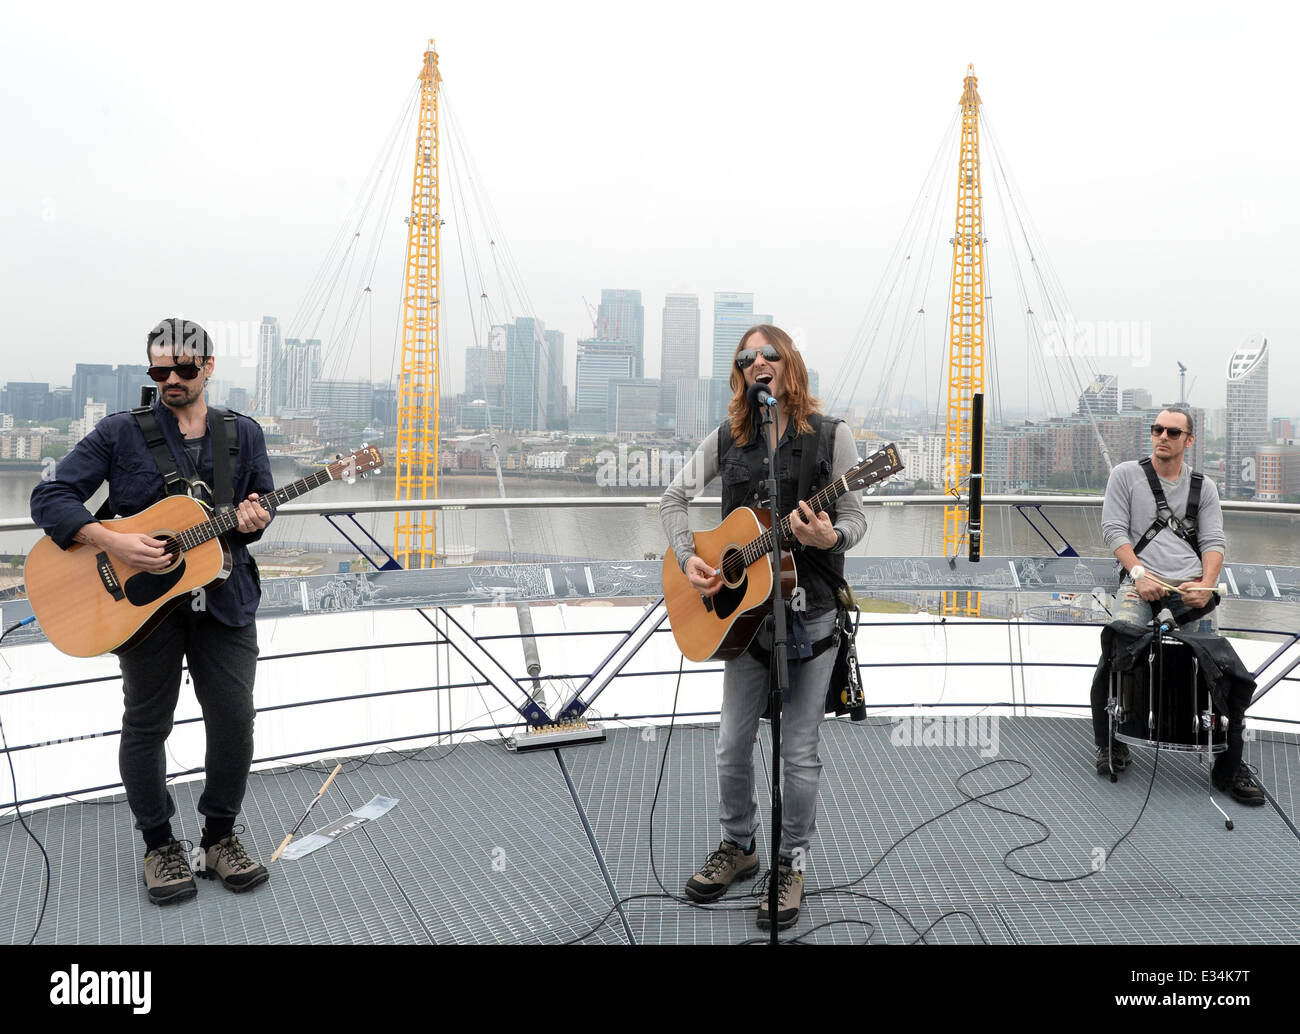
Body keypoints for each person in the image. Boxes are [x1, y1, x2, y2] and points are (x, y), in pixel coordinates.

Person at [30, 318, 277, 904]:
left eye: (182, 370)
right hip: (143, 611)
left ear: (209, 368)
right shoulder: (120, 432)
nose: (169, 379)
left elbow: (257, 512)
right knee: (147, 726)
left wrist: (256, 519)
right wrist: (110, 540)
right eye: (157, 370)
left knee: (234, 720)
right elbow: (51, 496)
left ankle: (220, 836)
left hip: (225, 599)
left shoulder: (244, 434)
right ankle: (160, 845)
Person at [660, 325, 866, 929]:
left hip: (814, 617)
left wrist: (829, 536)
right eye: (745, 358)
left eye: (767, 354)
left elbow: (854, 519)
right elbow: (672, 500)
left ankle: (790, 863)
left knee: (798, 754)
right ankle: (741, 846)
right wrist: (689, 557)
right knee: (730, 748)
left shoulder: (833, 437)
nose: (756, 363)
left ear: (790, 365)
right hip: (743, 624)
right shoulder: (728, 438)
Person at [1091, 405, 1263, 804]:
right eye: (1157, 430)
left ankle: (1228, 764)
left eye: (1172, 432)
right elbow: (1113, 529)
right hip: (1139, 585)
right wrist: (1139, 575)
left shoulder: (1204, 487)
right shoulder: (1125, 475)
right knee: (1117, 649)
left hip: (1190, 591)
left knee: (1216, 669)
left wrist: (1206, 585)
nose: (1162, 437)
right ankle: (1110, 742)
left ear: (1189, 440)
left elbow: (1213, 541)